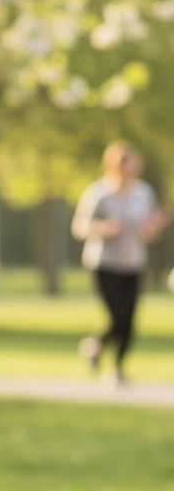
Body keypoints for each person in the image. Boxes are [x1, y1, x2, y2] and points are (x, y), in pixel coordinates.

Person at [72, 141, 167, 384]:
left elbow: (148, 230)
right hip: (103, 263)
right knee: (117, 317)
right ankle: (98, 347)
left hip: (133, 262)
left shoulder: (143, 193)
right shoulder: (99, 193)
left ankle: (115, 366)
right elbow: (79, 227)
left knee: (129, 321)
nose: (130, 168)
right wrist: (104, 228)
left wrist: (154, 226)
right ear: (113, 165)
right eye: (125, 163)